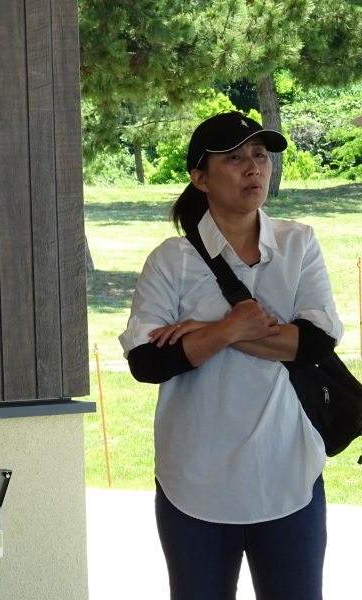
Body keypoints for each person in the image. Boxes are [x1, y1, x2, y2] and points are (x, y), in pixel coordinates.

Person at [118, 111, 344, 600]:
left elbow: (314, 343)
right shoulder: (170, 260)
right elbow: (147, 362)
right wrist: (229, 328)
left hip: (288, 470)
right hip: (193, 479)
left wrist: (210, 333)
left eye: (260, 156)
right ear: (199, 178)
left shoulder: (298, 242)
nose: (253, 169)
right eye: (235, 157)